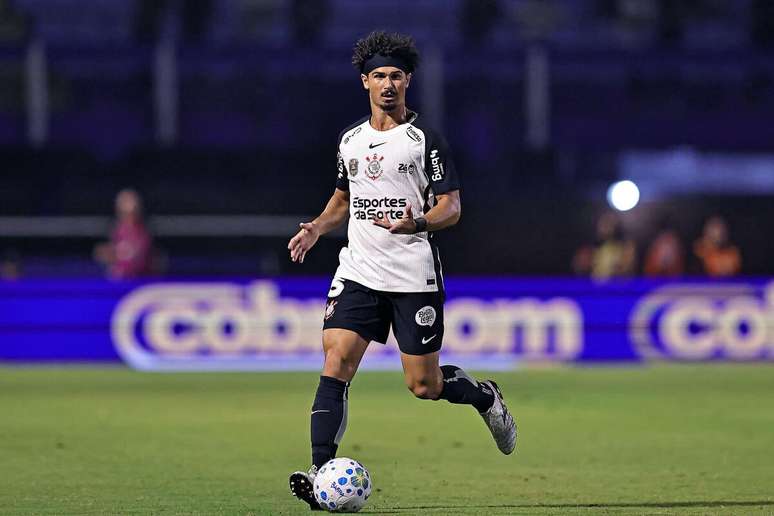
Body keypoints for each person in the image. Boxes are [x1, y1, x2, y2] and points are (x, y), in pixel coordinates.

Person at [286, 31, 516, 511]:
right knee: (337, 360)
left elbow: (451, 207)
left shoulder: (424, 141)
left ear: (407, 81)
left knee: (423, 385)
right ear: (364, 82)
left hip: (412, 275)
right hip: (359, 271)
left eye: (395, 76)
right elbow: (343, 201)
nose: (387, 84)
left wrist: (417, 220)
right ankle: (318, 470)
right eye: (378, 76)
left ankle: (484, 396)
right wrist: (315, 228)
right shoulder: (351, 140)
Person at [94, 188, 154, 280]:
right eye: (123, 201)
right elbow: (108, 255)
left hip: (138, 280)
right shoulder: (117, 229)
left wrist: (120, 255)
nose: (127, 205)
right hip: (119, 280)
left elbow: (139, 258)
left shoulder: (142, 230)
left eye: (129, 201)